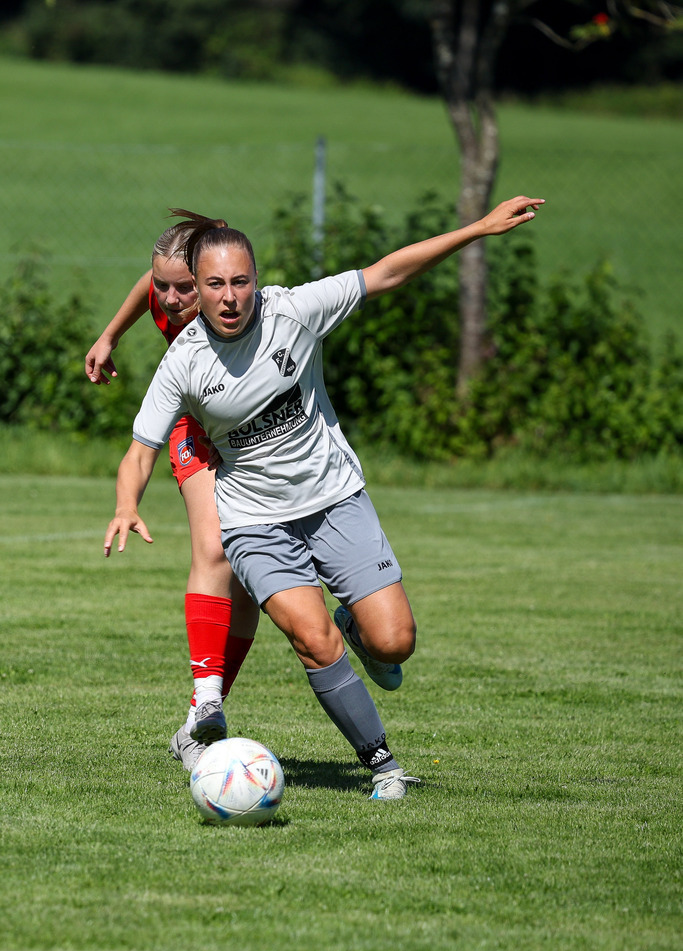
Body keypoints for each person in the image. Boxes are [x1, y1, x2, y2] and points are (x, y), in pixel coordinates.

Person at [103, 194, 544, 800]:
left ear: (256, 281)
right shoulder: (182, 360)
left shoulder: (294, 310)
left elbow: (386, 271)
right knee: (310, 636)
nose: (228, 296)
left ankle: (359, 628)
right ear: (193, 289)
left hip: (335, 498)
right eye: (213, 285)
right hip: (256, 520)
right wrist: (128, 504)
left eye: (240, 282)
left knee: (394, 643)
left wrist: (480, 228)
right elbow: (140, 449)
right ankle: (381, 763)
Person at [87, 223, 260, 771]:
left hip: (257, 432)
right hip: (194, 429)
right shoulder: (170, 295)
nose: (169, 299)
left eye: (184, 287)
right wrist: (110, 335)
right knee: (215, 550)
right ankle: (207, 701)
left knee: (250, 589)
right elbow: (150, 283)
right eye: (164, 287)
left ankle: (196, 720)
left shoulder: (239, 306)